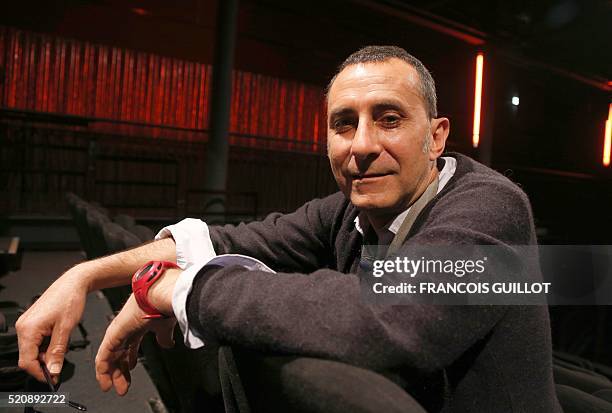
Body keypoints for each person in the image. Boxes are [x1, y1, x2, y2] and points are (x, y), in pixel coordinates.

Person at [16, 46, 562, 412]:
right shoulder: (345, 212)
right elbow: (216, 242)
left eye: (389, 119)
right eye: (343, 124)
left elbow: (398, 318)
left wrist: (176, 290)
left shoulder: (493, 207)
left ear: (437, 137)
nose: (363, 145)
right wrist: (84, 276)